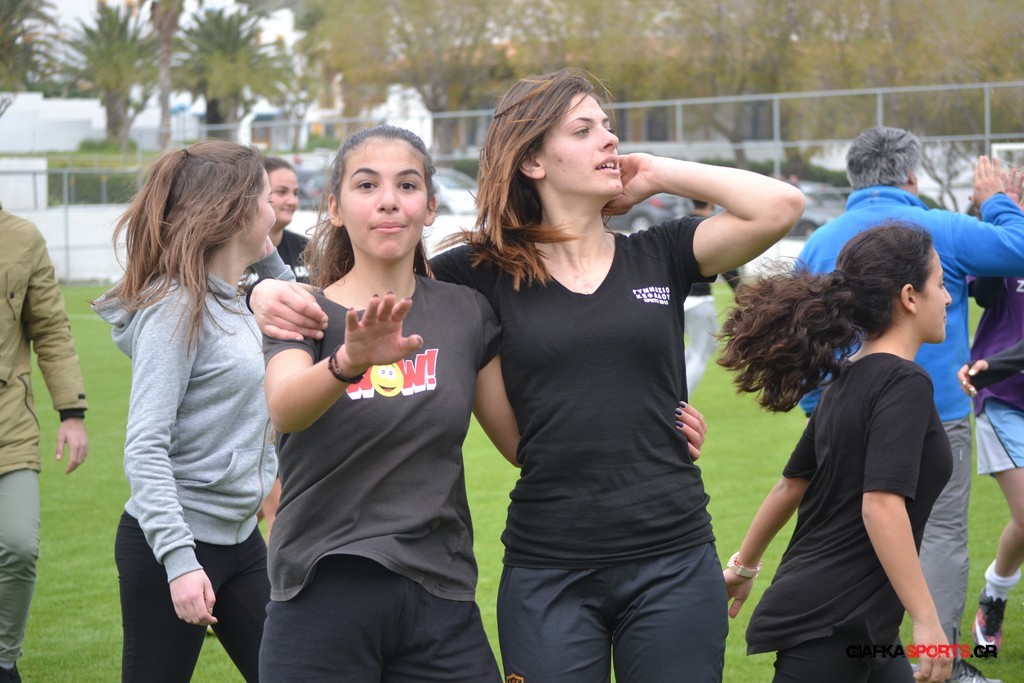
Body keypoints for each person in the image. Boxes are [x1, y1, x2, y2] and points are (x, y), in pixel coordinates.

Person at [251, 68, 804, 682]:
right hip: (549, 564)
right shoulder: (478, 273)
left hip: (673, 553)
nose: (609, 140)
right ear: (533, 161)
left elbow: (779, 206)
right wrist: (264, 292)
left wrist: (655, 171)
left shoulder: (662, 251)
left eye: (609, 128)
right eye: (584, 130)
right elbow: (380, 270)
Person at [258, 124, 518, 682]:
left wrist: (644, 427)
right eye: (366, 185)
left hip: (439, 593)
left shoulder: (465, 312)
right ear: (334, 208)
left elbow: (522, 443)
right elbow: (285, 408)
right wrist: (347, 361)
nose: (388, 201)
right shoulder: (304, 311)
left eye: (407, 185)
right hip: (321, 590)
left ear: (430, 206)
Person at [795, 126, 1024, 683]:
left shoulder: (821, 241)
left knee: (854, 538)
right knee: (939, 534)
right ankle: (940, 666)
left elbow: (803, 336)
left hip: (840, 413)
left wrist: (815, 409)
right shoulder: (939, 228)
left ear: (853, 177)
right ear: (912, 176)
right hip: (936, 411)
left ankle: (864, 662)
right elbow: (1018, 248)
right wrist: (997, 201)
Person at [718, 223, 954, 683]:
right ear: (909, 297)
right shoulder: (904, 383)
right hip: (830, 620)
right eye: (941, 284)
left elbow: (789, 485)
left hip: (862, 621)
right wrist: (928, 621)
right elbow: (880, 505)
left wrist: (743, 567)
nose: (947, 298)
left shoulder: (846, 378)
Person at [92, 140, 292, 682]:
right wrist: (180, 564)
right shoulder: (176, 306)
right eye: (266, 197)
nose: (276, 207)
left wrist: (265, 252)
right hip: (174, 546)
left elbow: (302, 315)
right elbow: (145, 447)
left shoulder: (240, 297)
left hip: (241, 538)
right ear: (237, 214)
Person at [0, 204, 89, 683]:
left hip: (8, 420)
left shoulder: (23, 238)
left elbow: (51, 328)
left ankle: (3, 660)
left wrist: (71, 413)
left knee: (18, 545)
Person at [958, 271, 1024, 654]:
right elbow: (984, 294)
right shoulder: (1006, 242)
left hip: (996, 371)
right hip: (1002, 393)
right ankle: (995, 596)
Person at [259, 156, 309, 539]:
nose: (290, 199)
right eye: (280, 192)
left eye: (294, 191)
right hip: (254, 397)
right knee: (268, 505)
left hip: (298, 386)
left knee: (278, 504)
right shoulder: (238, 257)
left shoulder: (309, 250)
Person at [684, 199, 740, 395]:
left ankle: (675, 380)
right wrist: (740, 291)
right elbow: (727, 264)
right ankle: (679, 402)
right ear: (711, 204)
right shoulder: (708, 228)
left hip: (676, 299)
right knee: (700, 353)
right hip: (699, 299)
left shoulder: (679, 225)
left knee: (706, 346)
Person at [264, 157, 310, 284]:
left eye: (295, 193)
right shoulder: (239, 252)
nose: (292, 201)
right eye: (282, 192)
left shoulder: (306, 249)